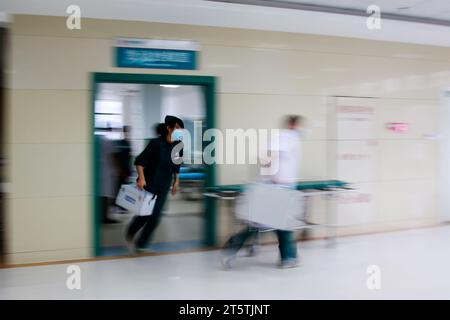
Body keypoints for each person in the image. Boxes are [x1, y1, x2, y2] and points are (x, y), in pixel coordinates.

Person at [221, 115, 304, 269]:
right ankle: (288, 258)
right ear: (294, 125)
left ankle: (289, 257)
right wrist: (274, 177)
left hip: (278, 188)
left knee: (271, 225)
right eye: (300, 126)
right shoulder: (286, 137)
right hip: (276, 188)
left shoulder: (288, 138)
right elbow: (268, 156)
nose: (302, 130)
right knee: (273, 225)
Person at [125, 115, 184, 253]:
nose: (179, 131)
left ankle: (141, 244)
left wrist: (176, 181)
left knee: (156, 216)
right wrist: (141, 178)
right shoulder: (156, 143)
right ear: (169, 128)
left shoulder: (178, 146)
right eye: (176, 128)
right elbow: (139, 162)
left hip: (164, 184)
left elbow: (177, 165)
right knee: (145, 214)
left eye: (181, 128)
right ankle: (130, 231)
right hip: (150, 183)